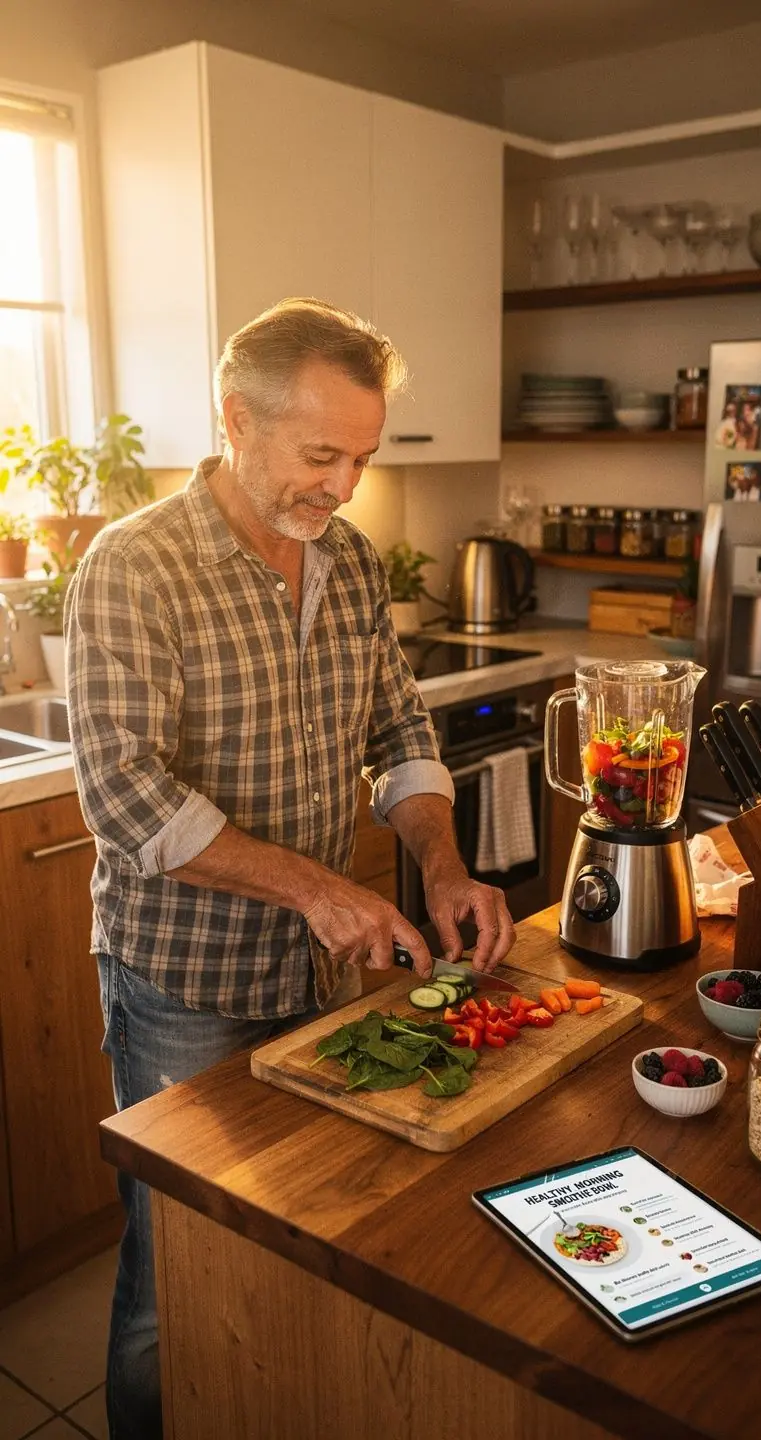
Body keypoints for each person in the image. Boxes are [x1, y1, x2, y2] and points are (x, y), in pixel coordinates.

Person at [65, 298, 516, 1440]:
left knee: (297, 1255)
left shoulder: (349, 560)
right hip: (185, 987)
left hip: (320, 984)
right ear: (235, 420)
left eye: (359, 458)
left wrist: (443, 869)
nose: (344, 487)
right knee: (173, 1281)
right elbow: (126, 797)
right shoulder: (136, 567)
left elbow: (400, 733)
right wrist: (320, 890)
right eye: (321, 455)